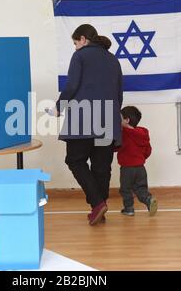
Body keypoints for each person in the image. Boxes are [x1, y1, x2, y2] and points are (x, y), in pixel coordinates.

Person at [53, 24, 123, 225]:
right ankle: (99, 208)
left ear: (83, 39)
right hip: (108, 120)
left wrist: (60, 106)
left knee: (75, 160)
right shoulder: (113, 60)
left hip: (83, 119)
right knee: (102, 166)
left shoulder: (80, 56)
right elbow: (119, 95)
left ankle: (97, 204)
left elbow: (72, 85)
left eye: (75, 43)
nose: (75, 47)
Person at [115, 106, 158, 216]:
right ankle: (148, 199)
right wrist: (141, 158)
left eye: (120, 118)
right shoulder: (143, 134)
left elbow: (116, 147)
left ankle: (129, 208)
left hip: (127, 168)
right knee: (141, 188)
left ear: (126, 120)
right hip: (140, 168)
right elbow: (148, 150)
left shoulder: (122, 133)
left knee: (125, 189)